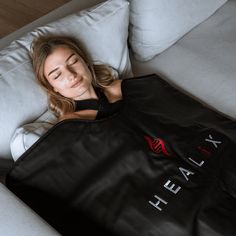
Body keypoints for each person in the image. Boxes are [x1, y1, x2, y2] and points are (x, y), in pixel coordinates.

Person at [31, 35, 123, 121]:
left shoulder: (120, 88)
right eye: (57, 75)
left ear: (85, 61)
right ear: (52, 87)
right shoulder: (70, 123)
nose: (71, 75)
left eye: (73, 62)